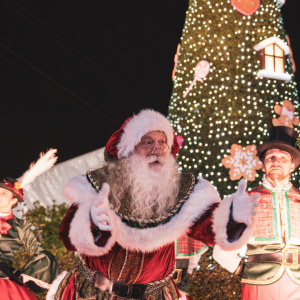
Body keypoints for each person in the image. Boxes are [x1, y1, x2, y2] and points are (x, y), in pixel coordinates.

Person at [53, 109, 259, 300]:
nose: (157, 148)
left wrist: (233, 218)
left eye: (162, 142)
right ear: (129, 149)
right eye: (147, 142)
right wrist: (90, 222)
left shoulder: (183, 190)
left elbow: (209, 228)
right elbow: (68, 237)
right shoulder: (98, 185)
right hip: (94, 294)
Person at [213, 126, 300, 300]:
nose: (276, 162)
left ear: (292, 166)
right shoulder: (246, 200)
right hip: (259, 286)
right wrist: (245, 272)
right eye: (271, 157)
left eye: (283, 158)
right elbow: (220, 250)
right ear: (262, 165)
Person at [0, 149, 60, 300]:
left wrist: (24, 277)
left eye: (4, 193)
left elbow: (41, 253)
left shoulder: (20, 226)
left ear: (14, 200)